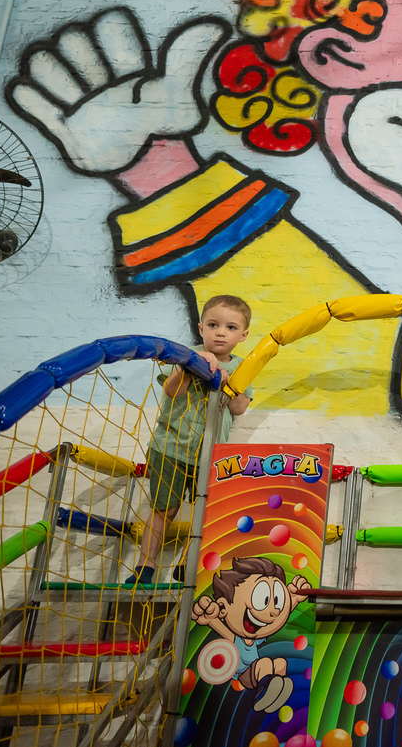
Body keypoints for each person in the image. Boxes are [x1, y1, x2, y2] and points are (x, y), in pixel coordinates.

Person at [125, 295, 252, 585]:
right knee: (163, 510)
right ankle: (145, 567)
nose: (221, 332)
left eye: (231, 327)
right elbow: (172, 392)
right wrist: (189, 364)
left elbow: (239, 407)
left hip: (210, 453)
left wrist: (227, 379)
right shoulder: (183, 354)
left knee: (205, 512)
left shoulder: (243, 367)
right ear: (200, 328)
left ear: (243, 335)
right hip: (170, 447)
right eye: (213, 325)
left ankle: (187, 563)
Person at [192, 556, 310, 712]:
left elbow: (283, 614)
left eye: (277, 600)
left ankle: (276, 692)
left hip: (254, 670)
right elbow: (215, 623)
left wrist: (294, 600)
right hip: (244, 673)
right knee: (265, 664)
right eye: (262, 599)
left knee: (281, 663)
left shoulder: (256, 640)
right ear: (223, 607)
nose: (273, 611)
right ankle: (263, 692)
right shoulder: (235, 638)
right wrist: (208, 619)